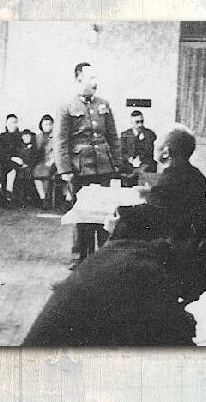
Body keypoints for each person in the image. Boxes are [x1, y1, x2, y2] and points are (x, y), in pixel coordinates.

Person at [53, 62, 124, 267]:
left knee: (104, 212)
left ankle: (102, 257)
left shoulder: (104, 104)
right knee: (82, 213)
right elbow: (60, 140)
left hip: (103, 166)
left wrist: (117, 164)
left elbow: (113, 136)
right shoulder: (66, 107)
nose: (95, 82)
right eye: (91, 78)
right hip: (80, 168)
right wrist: (65, 170)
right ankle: (80, 258)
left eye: (96, 77)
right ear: (79, 79)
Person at [147, 128, 206, 209]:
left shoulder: (168, 180)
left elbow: (157, 209)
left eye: (157, 143)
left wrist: (147, 196)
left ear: (166, 152)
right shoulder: (198, 175)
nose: (154, 144)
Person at [32, 114, 57, 209]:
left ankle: (47, 198)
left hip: (53, 162)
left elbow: (58, 151)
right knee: (36, 174)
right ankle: (43, 198)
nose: (48, 126)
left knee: (46, 173)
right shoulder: (38, 137)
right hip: (41, 163)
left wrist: (52, 161)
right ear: (41, 125)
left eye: (50, 124)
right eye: (45, 124)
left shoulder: (56, 137)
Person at [0, 114, 24, 201]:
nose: (14, 125)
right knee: (9, 169)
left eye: (15, 122)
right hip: (4, 161)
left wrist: (20, 159)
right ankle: (7, 194)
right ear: (6, 124)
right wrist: (12, 158)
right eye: (11, 123)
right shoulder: (1, 137)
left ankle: (11, 195)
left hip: (18, 162)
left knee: (16, 170)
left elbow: (23, 151)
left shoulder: (20, 137)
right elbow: (0, 153)